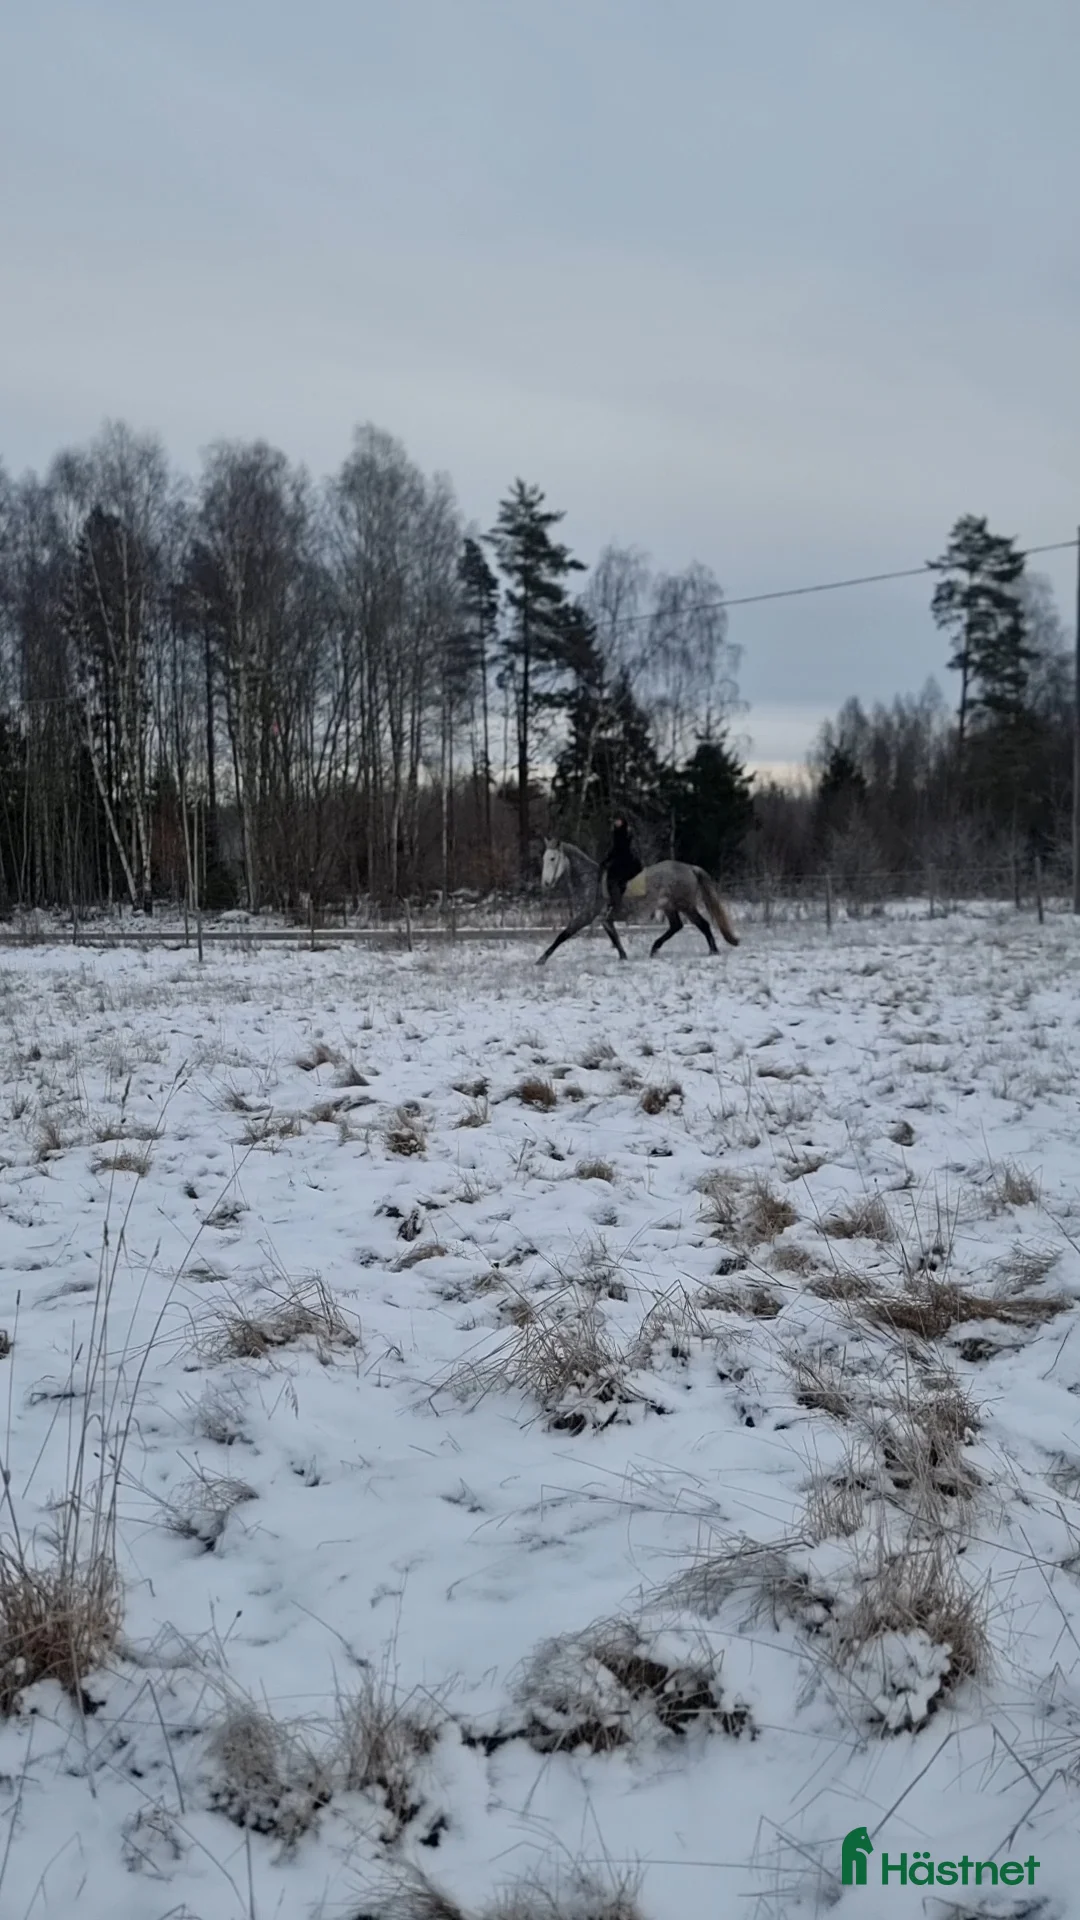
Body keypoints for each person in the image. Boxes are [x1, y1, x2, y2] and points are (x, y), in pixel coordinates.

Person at [600, 813, 643, 917]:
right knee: (614, 878)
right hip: (624, 859)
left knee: (612, 879)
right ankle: (615, 902)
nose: (616, 822)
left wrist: (607, 860)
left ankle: (616, 905)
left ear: (622, 821)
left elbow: (618, 849)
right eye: (615, 820)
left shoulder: (623, 832)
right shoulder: (619, 831)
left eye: (618, 820)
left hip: (626, 861)